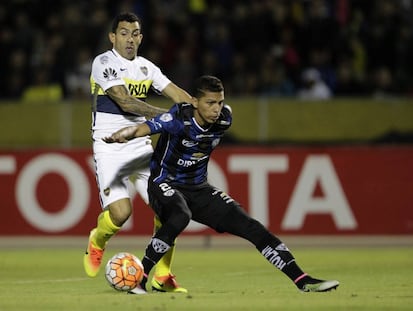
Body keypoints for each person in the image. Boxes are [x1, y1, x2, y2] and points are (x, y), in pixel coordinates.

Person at [103, 75, 340, 293]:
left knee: (251, 226)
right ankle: (141, 278)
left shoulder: (225, 119)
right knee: (180, 215)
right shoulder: (179, 118)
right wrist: (125, 134)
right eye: (210, 103)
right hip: (164, 183)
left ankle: (301, 280)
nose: (216, 109)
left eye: (219, 102)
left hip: (198, 188)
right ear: (195, 102)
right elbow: (148, 126)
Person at [84, 12, 193, 294]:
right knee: (121, 214)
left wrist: (199, 109)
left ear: (141, 38)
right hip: (110, 147)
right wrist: (167, 118)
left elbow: (177, 93)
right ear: (112, 37)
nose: (129, 39)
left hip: (142, 147)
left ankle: (163, 276)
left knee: (170, 209)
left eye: (134, 34)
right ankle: (97, 240)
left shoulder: (146, 68)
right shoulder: (104, 62)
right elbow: (125, 101)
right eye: (123, 33)